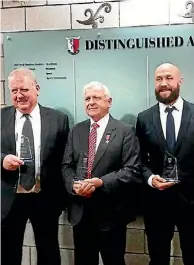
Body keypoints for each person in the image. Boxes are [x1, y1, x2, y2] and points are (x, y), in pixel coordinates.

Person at [136, 63, 194, 265]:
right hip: (156, 203)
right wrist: (150, 178)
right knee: (157, 258)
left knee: (193, 258)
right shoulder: (144, 118)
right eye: (158, 79)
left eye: (169, 78)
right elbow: (138, 159)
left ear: (179, 81)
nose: (164, 83)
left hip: (193, 204)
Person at [62, 81, 141, 265]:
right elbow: (66, 166)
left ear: (109, 101)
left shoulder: (124, 131)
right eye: (87, 98)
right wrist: (73, 185)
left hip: (111, 214)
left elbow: (131, 170)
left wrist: (100, 182)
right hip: (81, 212)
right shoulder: (76, 130)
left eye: (96, 97)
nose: (91, 102)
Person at [1, 68, 69, 265]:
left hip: (46, 198)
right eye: (13, 91)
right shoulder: (0, 117)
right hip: (9, 198)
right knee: (8, 252)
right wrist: (2, 160)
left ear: (37, 88)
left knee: (48, 251)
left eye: (24, 89)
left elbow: (64, 160)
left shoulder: (58, 119)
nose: (19, 95)